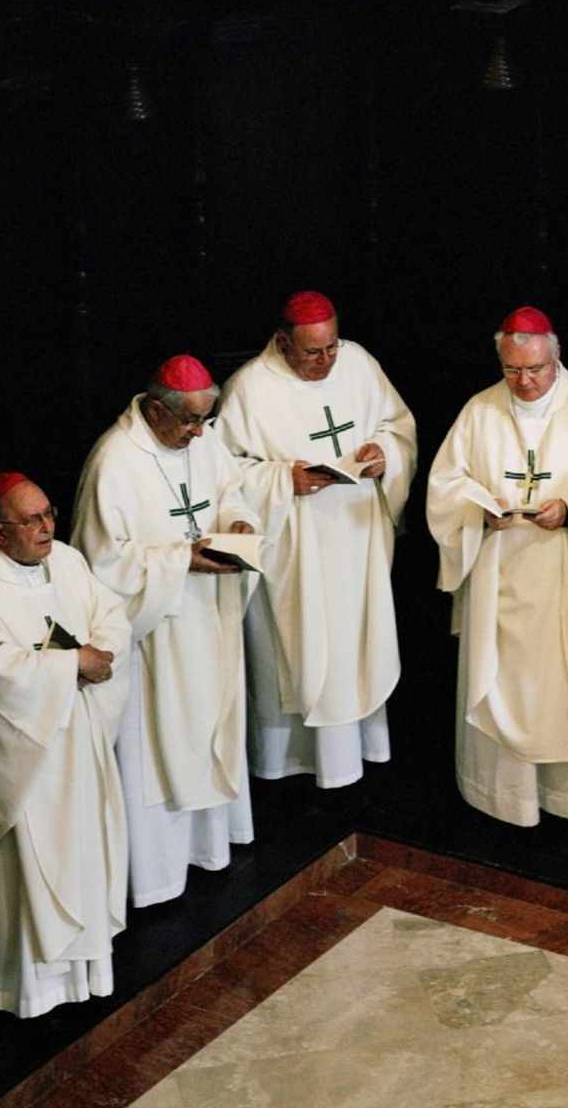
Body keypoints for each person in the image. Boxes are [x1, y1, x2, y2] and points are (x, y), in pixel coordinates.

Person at [426, 306, 568, 826]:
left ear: (555, 357)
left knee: (565, 687)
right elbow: (444, 489)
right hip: (498, 576)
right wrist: (477, 512)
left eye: (535, 370)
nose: (524, 381)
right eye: (512, 370)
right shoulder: (479, 412)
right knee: (499, 684)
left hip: (566, 581)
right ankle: (503, 797)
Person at [0, 472, 132, 1016]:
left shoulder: (65, 560)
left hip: (77, 742)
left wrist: (100, 655)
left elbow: (109, 613)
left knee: (81, 855)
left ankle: (82, 976)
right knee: (25, 870)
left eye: (49, 514)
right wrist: (73, 665)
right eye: (32, 520)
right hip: (20, 762)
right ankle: (21, 990)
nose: (47, 527)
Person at [71, 354, 259, 908]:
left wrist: (240, 521)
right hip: (160, 636)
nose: (200, 433)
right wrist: (183, 561)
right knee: (159, 745)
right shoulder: (115, 462)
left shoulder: (202, 438)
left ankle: (212, 846)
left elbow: (230, 491)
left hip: (210, 622)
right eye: (189, 422)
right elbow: (103, 564)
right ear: (155, 409)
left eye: (206, 420)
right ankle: (159, 875)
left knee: (211, 730)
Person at [216, 290, 417, 787]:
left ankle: (359, 754)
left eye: (331, 347)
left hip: (355, 539)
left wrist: (384, 453)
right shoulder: (249, 389)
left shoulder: (358, 364)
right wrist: (285, 480)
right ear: (283, 342)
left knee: (355, 649)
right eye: (313, 352)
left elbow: (399, 425)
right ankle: (289, 764)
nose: (327, 361)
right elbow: (222, 474)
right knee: (299, 652)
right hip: (296, 549)